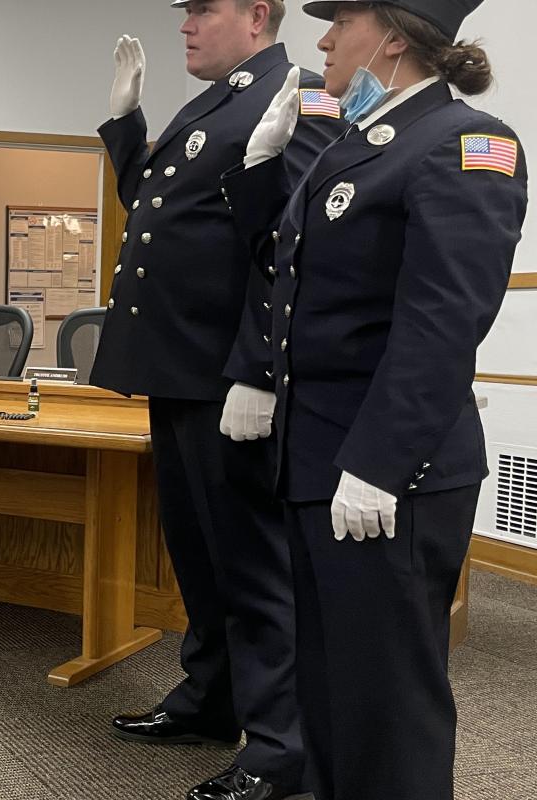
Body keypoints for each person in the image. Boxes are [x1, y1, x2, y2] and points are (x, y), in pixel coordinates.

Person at [219, 1, 527, 798]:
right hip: (320, 459)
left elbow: (443, 320)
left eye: (342, 21)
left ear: (393, 35)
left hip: (388, 474)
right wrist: (261, 170)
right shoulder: (358, 144)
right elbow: (292, 274)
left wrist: (381, 462)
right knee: (328, 692)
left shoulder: (466, 143)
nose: (322, 39)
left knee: (387, 704)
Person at [90, 2, 343, 798]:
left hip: (230, 376)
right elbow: (157, 204)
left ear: (258, 14)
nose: (186, 24)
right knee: (197, 554)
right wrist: (125, 124)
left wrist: (260, 369)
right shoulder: (214, 103)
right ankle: (211, 697)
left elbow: (294, 246)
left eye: (204, 8)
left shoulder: (299, 93)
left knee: (252, 568)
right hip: (180, 368)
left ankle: (279, 748)